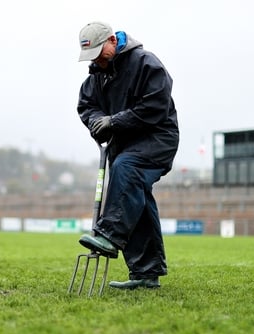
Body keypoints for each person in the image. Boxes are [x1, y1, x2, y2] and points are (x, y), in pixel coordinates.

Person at [76, 21, 179, 290]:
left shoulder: (146, 63)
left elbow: (155, 105)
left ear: (112, 40)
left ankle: (109, 234)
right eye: (91, 56)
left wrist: (115, 121)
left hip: (157, 139)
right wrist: (98, 121)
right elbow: (87, 106)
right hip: (123, 144)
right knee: (138, 202)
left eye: (100, 52)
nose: (97, 60)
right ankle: (146, 273)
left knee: (127, 169)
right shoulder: (96, 77)